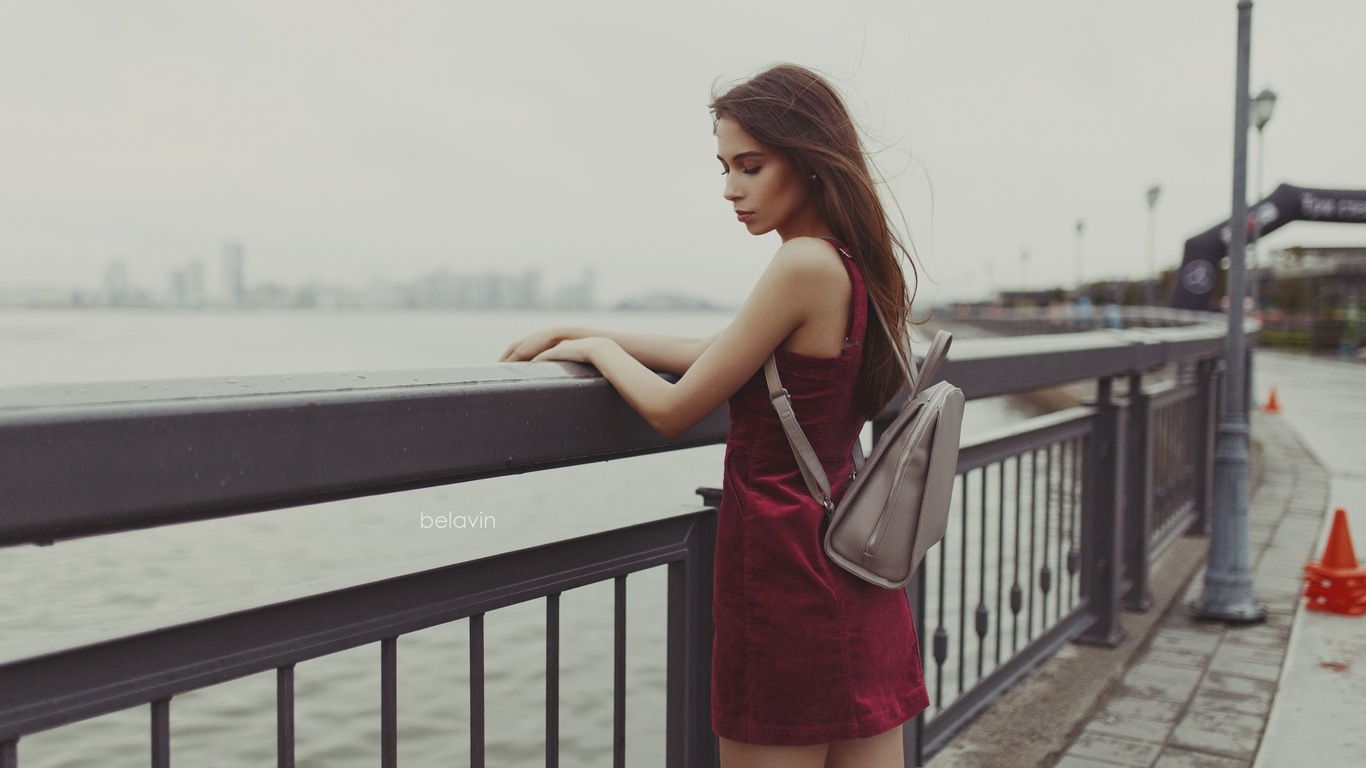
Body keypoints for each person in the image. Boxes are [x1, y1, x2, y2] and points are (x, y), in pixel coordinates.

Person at [501, 63, 929, 768]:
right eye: (725, 167)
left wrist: (599, 348)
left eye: (751, 166)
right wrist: (577, 333)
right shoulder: (852, 264)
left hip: (785, 574)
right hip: (854, 564)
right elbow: (719, 352)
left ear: (811, 159)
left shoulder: (802, 265)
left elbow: (674, 408)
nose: (731, 189)